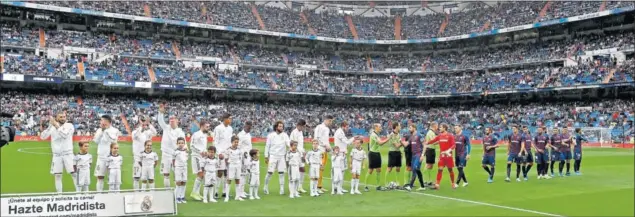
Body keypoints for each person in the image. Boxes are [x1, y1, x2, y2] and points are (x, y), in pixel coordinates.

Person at [40, 111, 77, 192]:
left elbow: (65, 135)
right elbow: (43, 137)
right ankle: (59, 196)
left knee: (74, 174)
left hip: (68, 154)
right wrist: (50, 125)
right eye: (61, 117)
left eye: (64, 116)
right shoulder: (52, 127)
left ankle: (79, 194)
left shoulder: (69, 125)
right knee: (57, 176)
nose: (63, 118)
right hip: (57, 155)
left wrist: (56, 125)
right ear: (56, 118)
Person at [158, 104, 185, 188]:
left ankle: (176, 194)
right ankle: (167, 192)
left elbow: (184, 145)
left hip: (176, 155)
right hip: (165, 154)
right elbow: (160, 121)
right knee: (166, 174)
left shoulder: (180, 132)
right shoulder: (166, 128)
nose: (171, 120)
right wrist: (160, 113)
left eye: (173, 119)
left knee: (176, 174)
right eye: (170, 119)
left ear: (178, 121)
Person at [93, 115, 121, 192]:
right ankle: (99, 195)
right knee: (100, 177)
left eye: (102, 120)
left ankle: (112, 196)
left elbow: (114, 141)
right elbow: (96, 141)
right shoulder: (99, 130)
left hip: (111, 158)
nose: (101, 122)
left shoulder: (115, 130)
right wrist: (102, 131)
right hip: (101, 157)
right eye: (101, 120)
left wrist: (105, 132)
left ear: (107, 122)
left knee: (112, 179)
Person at [425, 123, 457, 190]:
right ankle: (437, 184)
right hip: (442, 156)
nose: (439, 128)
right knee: (440, 170)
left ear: (444, 128)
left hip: (448, 156)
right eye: (439, 127)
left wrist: (448, 151)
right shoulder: (439, 136)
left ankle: (453, 183)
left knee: (450, 170)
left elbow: (454, 145)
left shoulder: (450, 136)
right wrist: (427, 143)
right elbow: (433, 140)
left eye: (441, 127)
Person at [264, 120, 290, 195]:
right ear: (276, 127)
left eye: (282, 126)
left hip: (281, 156)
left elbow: (288, 143)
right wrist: (266, 156)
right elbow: (267, 146)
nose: (281, 128)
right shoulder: (271, 135)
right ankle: (265, 186)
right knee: (270, 173)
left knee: (281, 173)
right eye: (280, 126)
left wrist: (291, 147)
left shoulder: (285, 135)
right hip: (273, 156)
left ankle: (281, 189)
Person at [132, 116, 157, 191]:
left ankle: (150, 194)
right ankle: (136, 193)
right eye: (141, 123)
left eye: (144, 123)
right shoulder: (135, 132)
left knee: (149, 178)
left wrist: (149, 124)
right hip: (137, 158)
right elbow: (136, 135)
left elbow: (155, 133)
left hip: (147, 159)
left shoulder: (148, 133)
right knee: (136, 177)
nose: (143, 124)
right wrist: (141, 126)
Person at [364, 123, 391, 191]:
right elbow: (380, 143)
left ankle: (378, 186)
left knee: (379, 169)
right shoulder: (373, 135)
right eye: (379, 127)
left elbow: (380, 143)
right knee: (371, 170)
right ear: (376, 127)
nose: (381, 128)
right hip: (372, 153)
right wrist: (388, 138)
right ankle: (365, 186)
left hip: (377, 153)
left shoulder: (377, 134)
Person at [189, 120, 210, 201]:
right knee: (200, 174)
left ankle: (197, 192)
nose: (208, 128)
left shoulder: (204, 135)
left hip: (202, 157)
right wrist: (200, 151)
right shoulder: (196, 134)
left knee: (202, 175)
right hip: (196, 156)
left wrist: (205, 152)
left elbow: (203, 147)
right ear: (202, 126)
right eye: (207, 126)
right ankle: (193, 192)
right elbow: (192, 146)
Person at [213, 113, 233, 198]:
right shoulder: (218, 128)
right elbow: (215, 141)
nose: (231, 120)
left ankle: (225, 191)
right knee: (220, 172)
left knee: (226, 173)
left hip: (228, 152)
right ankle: (216, 191)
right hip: (221, 153)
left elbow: (230, 141)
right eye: (229, 118)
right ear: (225, 119)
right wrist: (219, 153)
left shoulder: (230, 128)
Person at [313, 115, 333, 194]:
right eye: (330, 121)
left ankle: (319, 186)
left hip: (324, 150)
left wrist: (329, 148)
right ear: (326, 120)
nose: (331, 123)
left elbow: (326, 140)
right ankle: (316, 187)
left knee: (321, 169)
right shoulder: (320, 127)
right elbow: (317, 138)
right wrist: (325, 145)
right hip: (320, 150)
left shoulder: (326, 129)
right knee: (319, 168)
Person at [333, 121, 354, 193]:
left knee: (342, 171)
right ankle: (337, 187)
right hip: (340, 154)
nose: (347, 129)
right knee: (340, 171)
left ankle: (339, 187)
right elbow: (347, 142)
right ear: (343, 126)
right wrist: (354, 138)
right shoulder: (340, 132)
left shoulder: (340, 132)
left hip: (342, 153)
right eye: (347, 127)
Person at [404, 123, 425, 191]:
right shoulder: (411, 136)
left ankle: (410, 186)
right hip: (413, 155)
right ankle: (422, 186)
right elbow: (406, 144)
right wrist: (399, 140)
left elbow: (425, 145)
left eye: (410, 128)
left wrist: (422, 155)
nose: (409, 129)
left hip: (418, 154)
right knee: (416, 170)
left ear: (414, 128)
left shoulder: (419, 135)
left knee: (415, 169)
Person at [223, 135, 244, 202]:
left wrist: (239, 165)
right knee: (229, 180)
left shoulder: (239, 150)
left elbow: (240, 158)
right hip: (231, 166)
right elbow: (226, 159)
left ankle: (237, 196)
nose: (236, 143)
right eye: (235, 142)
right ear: (232, 142)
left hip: (238, 166)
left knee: (237, 180)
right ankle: (226, 196)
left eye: (237, 142)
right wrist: (227, 167)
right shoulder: (228, 150)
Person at [289, 119, 307, 193]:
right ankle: (294, 187)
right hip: (296, 154)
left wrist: (303, 151)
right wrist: (300, 152)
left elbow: (300, 144)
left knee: (302, 169)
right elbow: (292, 144)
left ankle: (300, 186)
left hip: (301, 153)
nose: (304, 128)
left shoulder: (301, 132)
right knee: (295, 170)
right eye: (303, 126)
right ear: (299, 126)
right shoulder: (294, 132)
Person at [237, 121, 253, 197]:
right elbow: (238, 146)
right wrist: (243, 154)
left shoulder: (249, 135)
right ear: (245, 126)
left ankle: (242, 190)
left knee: (246, 174)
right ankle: (240, 192)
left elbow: (249, 146)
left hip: (248, 157)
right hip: (243, 157)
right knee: (242, 174)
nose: (250, 129)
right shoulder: (240, 135)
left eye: (251, 127)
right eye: (249, 127)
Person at [386, 122, 404, 188]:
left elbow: (399, 144)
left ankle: (397, 183)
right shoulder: (391, 135)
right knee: (390, 168)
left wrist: (401, 151)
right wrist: (404, 143)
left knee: (398, 168)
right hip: (392, 152)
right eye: (399, 126)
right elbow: (396, 145)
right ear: (396, 127)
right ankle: (386, 183)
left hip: (398, 152)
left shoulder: (398, 134)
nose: (400, 127)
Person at [173, 137, 189, 203]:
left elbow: (186, 158)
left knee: (184, 182)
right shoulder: (175, 151)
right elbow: (173, 160)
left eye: (182, 143)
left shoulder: (185, 151)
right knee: (178, 182)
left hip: (184, 168)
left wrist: (186, 151)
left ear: (184, 143)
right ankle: (177, 197)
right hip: (178, 168)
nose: (181, 144)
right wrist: (174, 167)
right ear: (177, 143)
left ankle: (182, 197)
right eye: (179, 143)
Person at [424, 122, 439, 187]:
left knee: (430, 166)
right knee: (428, 165)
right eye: (437, 126)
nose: (437, 127)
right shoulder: (430, 132)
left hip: (432, 150)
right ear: (434, 126)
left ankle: (429, 181)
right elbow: (433, 141)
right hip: (429, 149)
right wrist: (441, 140)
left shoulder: (432, 132)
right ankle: (424, 181)